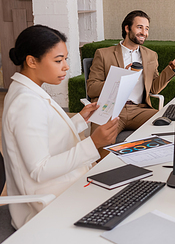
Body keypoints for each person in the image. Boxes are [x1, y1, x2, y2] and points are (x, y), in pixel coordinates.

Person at [2, 25, 119, 229]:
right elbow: (40, 169)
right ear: (31, 61)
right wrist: (93, 144)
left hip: (63, 188)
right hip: (46, 204)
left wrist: (81, 119)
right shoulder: (26, 102)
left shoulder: (29, 90)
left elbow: (44, 135)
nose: (65, 66)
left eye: (65, 59)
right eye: (58, 60)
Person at [86, 10, 175, 140]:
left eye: (146, 28)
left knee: (169, 128)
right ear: (127, 28)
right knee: (102, 140)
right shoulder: (104, 54)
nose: (144, 32)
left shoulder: (150, 55)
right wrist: (121, 78)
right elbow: (91, 88)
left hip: (139, 111)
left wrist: (173, 66)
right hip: (111, 109)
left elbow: (154, 88)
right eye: (139, 27)